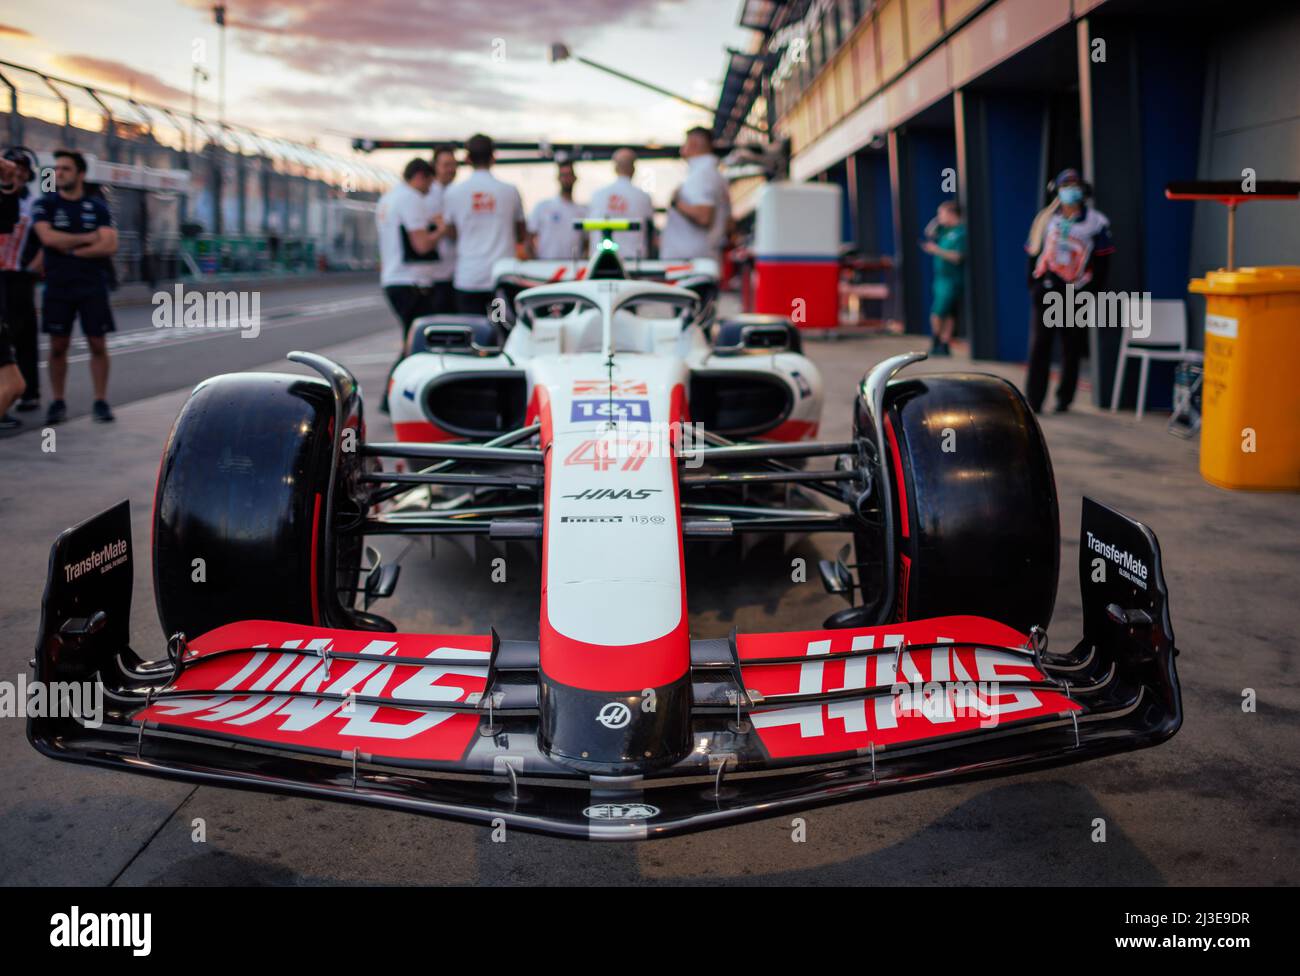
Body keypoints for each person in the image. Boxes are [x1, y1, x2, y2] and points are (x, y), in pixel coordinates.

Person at [31, 149, 119, 424]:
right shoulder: (46, 205)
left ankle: (100, 401)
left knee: (97, 343)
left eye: (66, 169)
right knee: (58, 346)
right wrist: (90, 239)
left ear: (80, 174)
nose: (59, 174)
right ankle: (57, 402)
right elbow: (47, 238)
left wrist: (68, 246)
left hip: (92, 285)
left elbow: (110, 245)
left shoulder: (98, 207)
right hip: (58, 286)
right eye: (57, 169)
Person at [1024, 168, 1114, 414]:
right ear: (1057, 190)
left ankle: (1064, 399)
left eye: (1075, 186)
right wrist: (1034, 285)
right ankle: (1034, 401)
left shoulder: (1096, 222)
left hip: (1076, 292)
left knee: (1070, 347)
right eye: (1066, 186)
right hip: (1046, 289)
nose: (1070, 191)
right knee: (1040, 345)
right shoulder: (1046, 219)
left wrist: (1092, 292)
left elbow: (1103, 261)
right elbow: (1032, 253)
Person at [375, 157, 451, 413]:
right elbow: (421, 244)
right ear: (420, 176)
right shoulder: (411, 199)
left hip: (394, 278)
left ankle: (392, 398)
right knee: (418, 343)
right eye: (429, 182)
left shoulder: (387, 199)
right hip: (412, 282)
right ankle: (395, 398)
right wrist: (441, 229)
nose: (430, 189)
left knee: (411, 341)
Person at [442, 134, 526, 316]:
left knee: (474, 334)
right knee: (501, 332)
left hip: (468, 279)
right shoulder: (510, 191)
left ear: (467, 158)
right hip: (501, 280)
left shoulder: (453, 193)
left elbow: (450, 232)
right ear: (493, 157)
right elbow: (521, 234)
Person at [0, 147, 41, 414]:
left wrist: (33, 268)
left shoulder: (32, 201)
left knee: (23, 336)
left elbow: (7, 221)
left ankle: (29, 394)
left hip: (17, 276)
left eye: (22, 170)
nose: (17, 173)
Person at [660, 126, 730, 261]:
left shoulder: (701, 174)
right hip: (701, 258)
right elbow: (729, 223)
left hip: (690, 264)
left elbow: (704, 216)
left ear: (694, 144)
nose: (682, 148)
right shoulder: (714, 174)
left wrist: (676, 203)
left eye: (685, 143)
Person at [586, 148, 655, 258]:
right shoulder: (644, 197)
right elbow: (651, 232)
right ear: (633, 168)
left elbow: (588, 232)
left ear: (615, 167)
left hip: (600, 261)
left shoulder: (597, 195)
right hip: (635, 262)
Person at [921, 199, 966, 356]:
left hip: (951, 279)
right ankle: (943, 343)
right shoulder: (945, 231)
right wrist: (936, 221)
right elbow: (929, 232)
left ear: (952, 214)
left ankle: (938, 340)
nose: (939, 216)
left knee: (939, 311)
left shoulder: (961, 232)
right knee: (946, 311)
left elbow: (958, 257)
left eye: (941, 213)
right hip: (940, 277)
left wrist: (936, 250)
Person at [527, 160, 587, 260]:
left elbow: (587, 242)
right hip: (546, 267)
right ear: (558, 178)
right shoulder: (543, 207)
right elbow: (529, 239)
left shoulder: (583, 211)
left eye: (569, 175)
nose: (566, 179)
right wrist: (535, 264)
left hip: (573, 269)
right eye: (563, 175)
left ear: (575, 178)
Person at [427, 144, 459, 315]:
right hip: (436, 274)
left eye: (453, 165)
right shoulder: (428, 194)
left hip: (457, 273)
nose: (451, 169)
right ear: (435, 166)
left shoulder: (458, 192)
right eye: (446, 165)